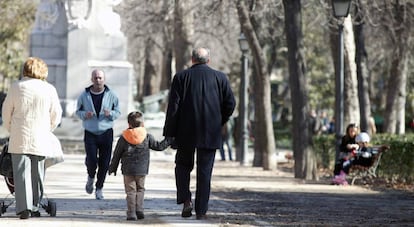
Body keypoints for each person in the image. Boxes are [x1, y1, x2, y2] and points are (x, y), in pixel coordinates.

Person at [163, 47, 236, 220]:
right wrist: (219, 120)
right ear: (208, 60)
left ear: (192, 59)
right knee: (205, 172)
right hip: (210, 131)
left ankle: (186, 200)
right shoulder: (220, 78)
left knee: (182, 167)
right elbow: (230, 104)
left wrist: (170, 133)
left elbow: (173, 107)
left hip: (185, 131)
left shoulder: (181, 77)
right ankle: (201, 210)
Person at [1, 57, 62, 219]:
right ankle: (34, 206)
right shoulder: (49, 89)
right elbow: (56, 115)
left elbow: (6, 112)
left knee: (20, 174)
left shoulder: (16, 87)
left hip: (19, 137)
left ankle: (23, 208)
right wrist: (48, 129)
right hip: (41, 137)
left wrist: (11, 129)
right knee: (38, 175)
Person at [108, 111, 172, 220]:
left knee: (130, 191)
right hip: (142, 169)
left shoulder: (124, 138)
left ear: (129, 124)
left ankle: (131, 213)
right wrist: (169, 139)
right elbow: (159, 146)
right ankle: (139, 209)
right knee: (140, 189)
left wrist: (112, 168)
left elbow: (117, 154)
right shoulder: (147, 136)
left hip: (128, 170)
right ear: (142, 124)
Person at [75, 69, 121, 200]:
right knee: (92, 160)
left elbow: (117, 112)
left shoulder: (111, 94)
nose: (98, 80)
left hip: (106, 132)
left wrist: (110, 114)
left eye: (100, 78)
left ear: (104, 80)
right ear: (91, 79)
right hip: (90, 132)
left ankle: (99, 187)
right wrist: (85, 115)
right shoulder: (85, 95)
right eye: (95, 78)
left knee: (105, 163)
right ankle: (90, 176)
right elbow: (78, 111)